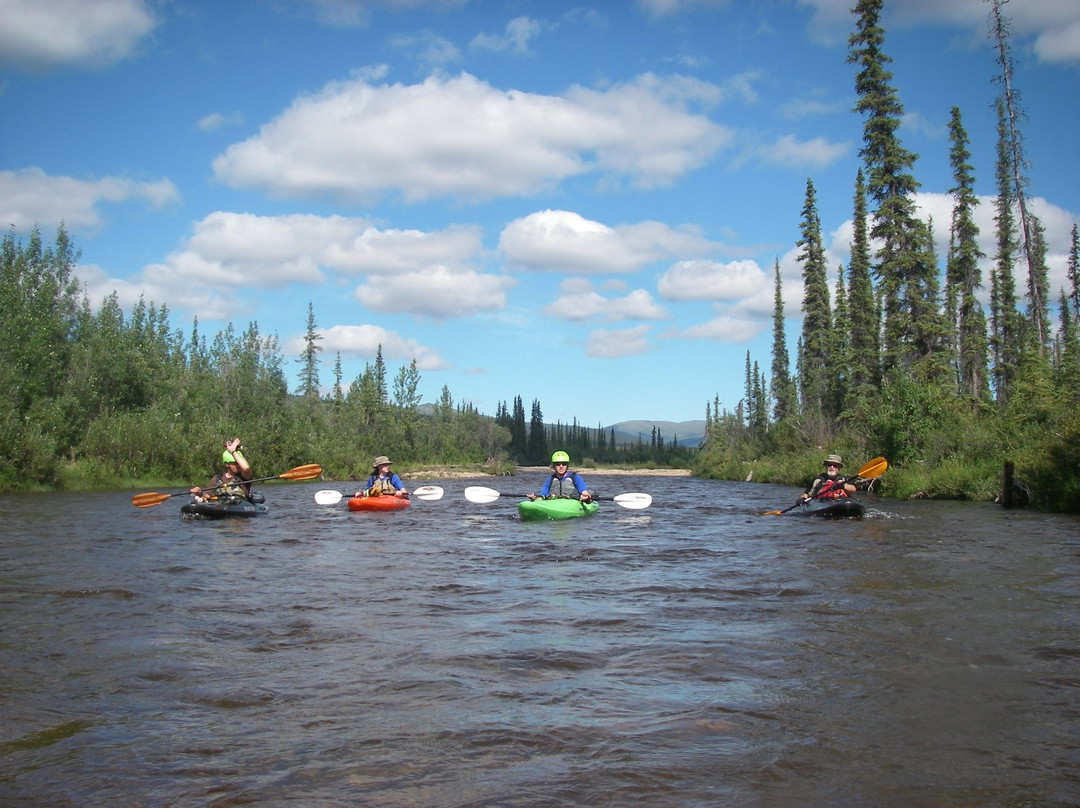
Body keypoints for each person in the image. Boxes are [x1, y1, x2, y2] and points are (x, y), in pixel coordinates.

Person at [190, 437, 254, 502]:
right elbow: (207, 497)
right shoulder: (217, 479)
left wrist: (233, 451)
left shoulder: (244, 477)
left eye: (238, 463)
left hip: (240, 506)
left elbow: (246, 468)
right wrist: (199, 493)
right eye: (235, 463)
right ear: (227, 464)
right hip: (222, 507)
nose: (238, 465)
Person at [527, 451, 592, 502]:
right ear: (553, 466)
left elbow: (584, 492)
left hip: (572, 503)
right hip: (555, 504)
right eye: (558, 464)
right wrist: (534, 497)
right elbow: (542, 495)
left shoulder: (575, 478)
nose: (561, 466)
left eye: (564, 464)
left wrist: (586, 497)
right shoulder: (550, 480)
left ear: (567, 466)